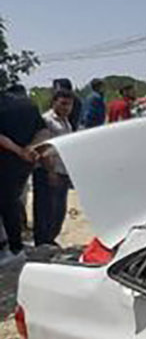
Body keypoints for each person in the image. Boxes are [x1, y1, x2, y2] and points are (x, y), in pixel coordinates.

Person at [0, 84, 49, 257]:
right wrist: (30, 149)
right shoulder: (30, 105)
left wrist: (19, 150)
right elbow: (44, 131)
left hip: (5, 161)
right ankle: (15, 245)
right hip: (24, 165)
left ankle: (12, 246)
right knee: (12, 203)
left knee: (7, 205)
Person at [33, 90, 74, 247]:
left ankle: (50, 239)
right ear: (54, 102)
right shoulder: (47, 120)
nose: (66, 107)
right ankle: (43, 241)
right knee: (46, 209)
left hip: (61, 170)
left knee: (58, 210)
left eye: (69, 104)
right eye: (63, 103)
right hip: (48, 170)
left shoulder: (66, 122)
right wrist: (50, 171)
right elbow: (43, 148)